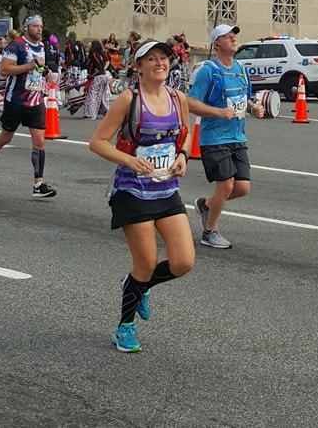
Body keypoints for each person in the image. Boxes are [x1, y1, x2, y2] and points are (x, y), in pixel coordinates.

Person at [89, 39, 194, 353]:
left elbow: (185, 137)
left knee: (183, 262)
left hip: (166, 189)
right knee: (146, 263)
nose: (160, 63)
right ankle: (125, 327)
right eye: (151, 59)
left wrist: (183, 158)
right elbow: (97, 142)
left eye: (163, 58)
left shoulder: (179, 99)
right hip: (132, 191)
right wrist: (130, 160)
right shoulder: (128, 99)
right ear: (138, 67)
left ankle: (138, 284)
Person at [188, 24, 264, 249]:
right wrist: (218, 112)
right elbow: (190, 102)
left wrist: (254, 108)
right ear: (216, 44)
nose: (233, 38)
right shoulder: (208, 71)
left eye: (234, 35)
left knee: (242, 188)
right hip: (214, 138)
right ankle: (209, 232)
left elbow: (244, 100)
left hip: (237, 137)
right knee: (227, 185)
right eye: (226, 36)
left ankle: (206, 205)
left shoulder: (241, 69)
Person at [0, 15, 56, 199]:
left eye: (41, 26)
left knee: (39, 142)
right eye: (35, 26)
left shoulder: (42, 46)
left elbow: (37, 68)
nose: (39, 29)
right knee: (6, 137)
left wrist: (46, 72)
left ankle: (38, 184)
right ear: (26, 28)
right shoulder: (16, 46)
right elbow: (5, 69)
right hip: (16, 100)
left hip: (36, 100)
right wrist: (29, 65)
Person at [83, 39, 110, 119]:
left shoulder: (93, 54)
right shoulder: (100, 54)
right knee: (101, 95)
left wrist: (91, 75)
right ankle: (106, 110)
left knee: (92, 94)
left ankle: (90, 113)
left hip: (97, 76)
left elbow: (98, 67)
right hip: (103, 76)